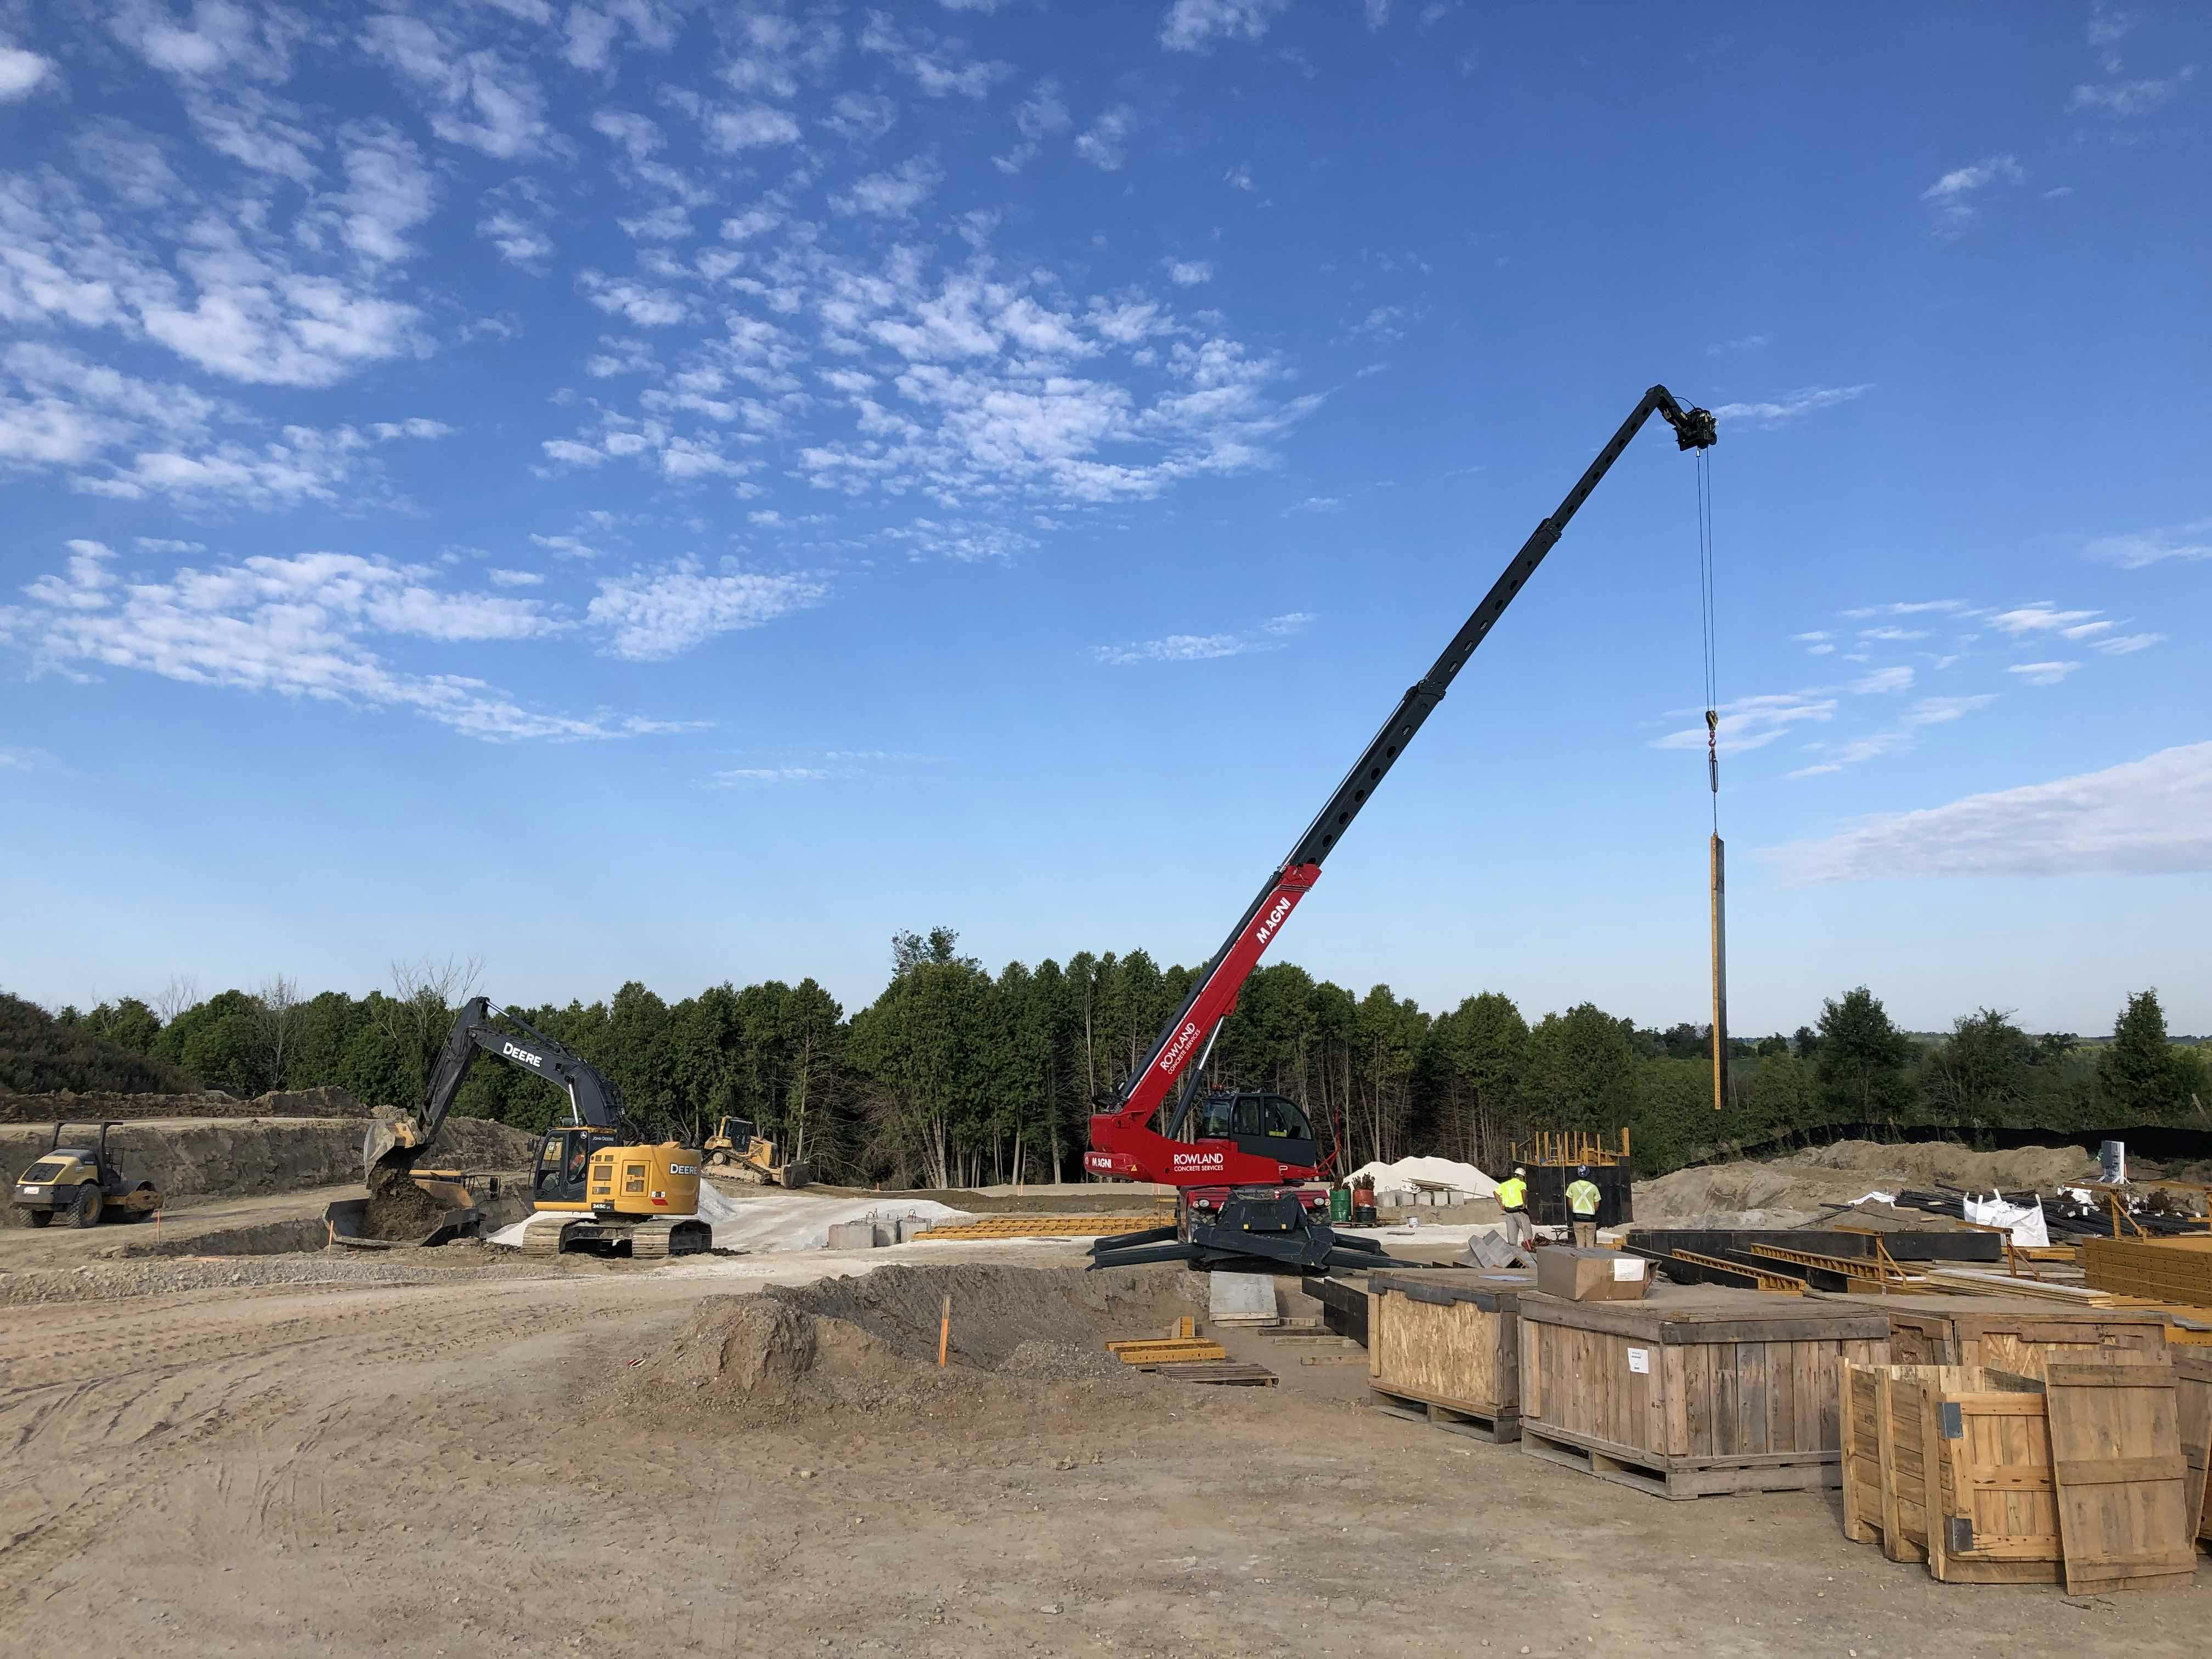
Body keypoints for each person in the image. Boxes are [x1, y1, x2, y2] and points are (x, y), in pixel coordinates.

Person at [1496, 1166, 1531, 1249]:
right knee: (1527, 1235)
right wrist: (1524, 1203)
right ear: (1522, 1176)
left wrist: (1501, 1205)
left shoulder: (1506, 1184)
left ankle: (1514, 1255)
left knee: (1512, 1241)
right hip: (1520, 1211)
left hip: (1509, 1213)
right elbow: (1524, 1192)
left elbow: (1496, 1193)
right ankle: (1530, 1252)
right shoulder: (1521, 1183)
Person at [1566, 1165, 1601, 1247]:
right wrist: (1592, 1213)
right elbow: (1597, 1204)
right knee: (1590, 1243)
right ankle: (1591, 1259)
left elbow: (1570, 1202)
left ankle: (1581, 1259)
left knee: (1580, 1243)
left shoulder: (1572, 1186)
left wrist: (1574, 1211)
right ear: (1588, 1174)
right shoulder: (1594, 1188)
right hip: (1590, 1219)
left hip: (1578, 1218)